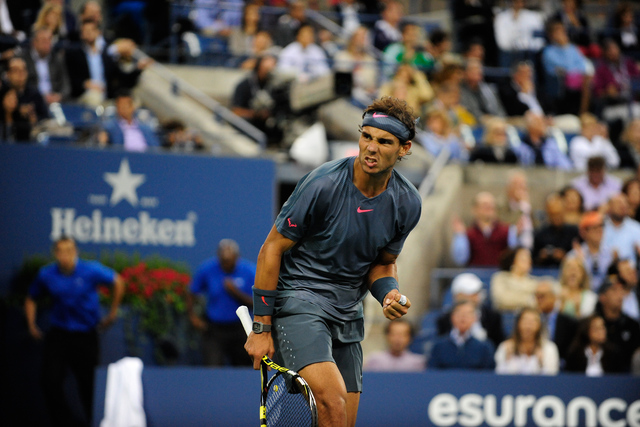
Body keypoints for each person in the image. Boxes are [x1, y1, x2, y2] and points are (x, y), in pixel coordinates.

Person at [243, 97, 422, 427]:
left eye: (384, 141)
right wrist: (261, 327)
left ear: (404, 148)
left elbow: (382, 263)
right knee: (332, 402)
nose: (371, 147)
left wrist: (388, 294)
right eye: (366, 136)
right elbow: (271, 250)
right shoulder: (322, 184)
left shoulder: (407, 202)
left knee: (341, 421)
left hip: (348, 315)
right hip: (300, 301)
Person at [25, 237, 125, 427]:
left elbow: (118, 281)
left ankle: (94, 422)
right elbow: (31, 298)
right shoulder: (46, 274)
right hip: (59, 334)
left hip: (85, 335)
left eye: (70, 250)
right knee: (49, 381)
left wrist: (112, 314)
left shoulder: (91, 270)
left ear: (76, 251)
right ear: (55, 253)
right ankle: (64, 422)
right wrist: (31, 325)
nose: (66, 255)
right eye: (61, 251)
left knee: (89, 385)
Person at [187, 239, 255, 366]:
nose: (226, 264)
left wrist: (235, 292)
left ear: (237, 257)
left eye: (229, 261)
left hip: (239, 328)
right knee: (212, 365)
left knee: (243, 367)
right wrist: (193, 317)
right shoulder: (207, 269)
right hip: (214, 329)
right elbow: (192, 292)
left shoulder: (249, 271)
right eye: (223, 261)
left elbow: (255, 303)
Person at [451, 191, 519, 267]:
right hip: (475, 275)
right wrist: (460, 235)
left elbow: (515, 258)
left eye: (491, 205)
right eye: (484, 205)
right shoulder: (468, 234)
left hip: (501, 275)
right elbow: (460, 260)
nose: (489, 207)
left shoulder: (508, 230)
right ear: (475, 209)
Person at [436, 273, 504, 348]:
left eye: (477, 293)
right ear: (457, 296)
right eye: (471, 294)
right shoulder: (444, 320)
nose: (475, 298)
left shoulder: (492, 317)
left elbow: (499, 343)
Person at [231, 54, 282, 147]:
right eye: (266, 67)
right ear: (259, 67)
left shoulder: (274, 85)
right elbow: (236, 111)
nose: (270, 70)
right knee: (245, 122)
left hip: (265, 122)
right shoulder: (245, 85)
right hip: (250, 121)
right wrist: (256, 114)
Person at [542, 20, 590, 115]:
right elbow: (566, 68)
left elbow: (582, 66)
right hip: (560, 86)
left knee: (587, 80)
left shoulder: (572, 48)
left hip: (578, 82)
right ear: (551, 35)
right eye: (558, 31)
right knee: (584, 82)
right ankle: (582, 114)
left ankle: (583, 114)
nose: (562, 34)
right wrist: (564, 47)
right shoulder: (548, 51)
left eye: (563, 31)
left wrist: (566, 47)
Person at [429, 300, 495, 370]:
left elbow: (488, 375)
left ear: (475, 318)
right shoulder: (439, 347)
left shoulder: (484, 347)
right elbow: (432, 373)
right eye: (459, 313)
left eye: (468, 314)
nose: (463, 317)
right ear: (452, 317)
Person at [495, 307, 560, 375]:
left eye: (533, 321)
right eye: (525, 320)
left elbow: (552, 378)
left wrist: (541, 363)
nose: (528, 326)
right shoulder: (505, 347)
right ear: (518, 323)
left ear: (540, 325)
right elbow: (499, 377)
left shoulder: (549, 348)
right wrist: (507, 359)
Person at [594, 279, 640, 372]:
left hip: (627, 378)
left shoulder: (632, 325)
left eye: (621, 291)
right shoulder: (593, 324)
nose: (619, 295)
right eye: (614, 290)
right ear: (602, 297)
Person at [20, 28, 70, 105]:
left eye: (49, 40)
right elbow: (22, 85)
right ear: (34, 43)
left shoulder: (57, 59)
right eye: (44, 40)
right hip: (33, 103)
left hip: (56, 102)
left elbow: (65, 85)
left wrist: (59, 96)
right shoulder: (23, 59)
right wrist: (40, 97)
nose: (47, 43)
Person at [534, 280, 579, 363]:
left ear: (554, 297)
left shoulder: (569, 322)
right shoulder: (532, 319)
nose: (538, 299)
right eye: (536, 296)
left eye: (542, 296)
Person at [567, 212, 613, 291]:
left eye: (601, 226)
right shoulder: (574, 256)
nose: (599, 230)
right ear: (584, 232)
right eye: (595, 227)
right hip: (582, 295)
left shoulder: (611, 254)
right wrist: (581, 261)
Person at [333, 27, 378, 105]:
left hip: (366, 95)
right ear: (353, 38)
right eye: (360, 37)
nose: (363, 40)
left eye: (364, 38)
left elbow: (371, 82)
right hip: (347, 96)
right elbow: (342, 80)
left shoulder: (370, 59)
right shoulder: (341, 56)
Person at [532, 194, 579, 267]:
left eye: (558, 214)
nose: (556, 218)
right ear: (548, 214)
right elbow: (533, 259)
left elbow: (580, 256)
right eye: (553, 214)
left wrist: (564, 256)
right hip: (543, 271)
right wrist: (541, 256)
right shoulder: (540, 233)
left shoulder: (574, 232)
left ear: (564, 212)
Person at [490, 246, 539, 311]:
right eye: (523, 258)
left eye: (529, 257)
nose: (528, 260)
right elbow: (502, 299)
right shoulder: (500, 278)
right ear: (513, 261)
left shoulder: (534, 281)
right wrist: (529, 300)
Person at [1, 57, 49, 122]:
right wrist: (9, 112)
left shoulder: (34, 94)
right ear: (8, 74)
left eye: (23, 70)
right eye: (15, 70)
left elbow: (45, 118)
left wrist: (34, 119)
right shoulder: (3, 93)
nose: (20, 74)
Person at [459, 58, 505, 123]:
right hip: (475, 123)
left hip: (495, 121)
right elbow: (466, 111)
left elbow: (499, 109)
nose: (478, 71)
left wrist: (500, 119)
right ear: (465, 73)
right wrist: (484, 118)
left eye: (479, 68)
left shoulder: (489, 89)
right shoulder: (460, 91)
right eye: (474, 69)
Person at [602, 193, 640, 263]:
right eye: (618, 203)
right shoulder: (601, 226)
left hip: (630, 269)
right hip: (604, 270)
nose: (622, 206)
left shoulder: (636, 228)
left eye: (625, 203)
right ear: (609, 206)